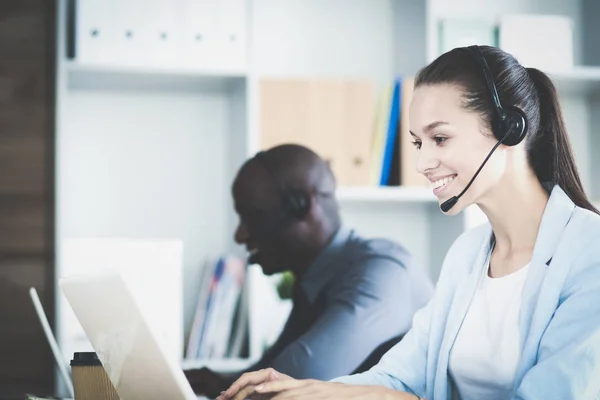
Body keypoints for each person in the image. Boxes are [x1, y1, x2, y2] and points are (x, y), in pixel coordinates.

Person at [217, 45, 600, 400]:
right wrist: (303, 390)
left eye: (441, 138)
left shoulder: (589, 252)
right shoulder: (468, 254)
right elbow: (400, 377)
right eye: (418, 143)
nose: (421, 163)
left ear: (510, 129)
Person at [184, 144, 434, 398]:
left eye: (254, 216)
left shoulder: (382, 272)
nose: (241, 235)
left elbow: (296, 379)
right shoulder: (313, 281)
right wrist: (218, 383)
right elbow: (272, 372)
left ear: (303, 205)